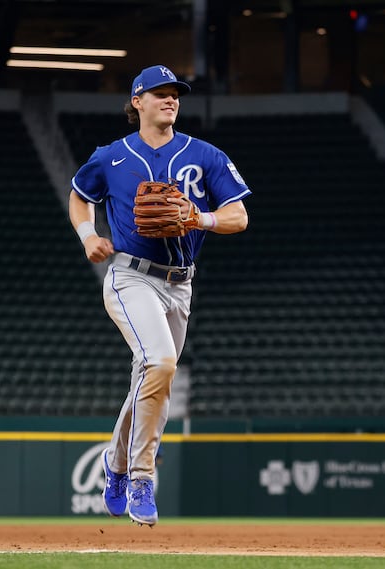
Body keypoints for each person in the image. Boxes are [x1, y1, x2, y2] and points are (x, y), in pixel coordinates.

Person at [68, 64, 250, 526]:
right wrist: (89, 235)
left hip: (180, 284)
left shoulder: (205, 155)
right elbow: (79, 195)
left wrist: (200, 217)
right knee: (163, 363)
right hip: (130, 276)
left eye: (175, 94)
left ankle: (115, 462)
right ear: (137, 102)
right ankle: (142, 475)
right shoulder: (110, 157)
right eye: (160, 93)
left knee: (153, 375)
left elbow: (238, 216)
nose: (171, 100)